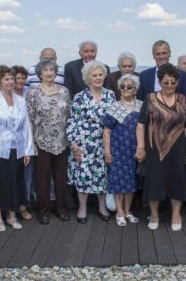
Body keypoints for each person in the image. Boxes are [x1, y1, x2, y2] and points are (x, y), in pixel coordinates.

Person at [136, 63, 186, 231]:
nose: (169, 85)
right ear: (160, 82)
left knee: (177, 180)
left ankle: (176, 214)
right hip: (154, 149)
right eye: (166, 82)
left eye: (173, 82)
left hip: (178, 148)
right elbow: (140, 125)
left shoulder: (182, 99)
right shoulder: (150, 98)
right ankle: (154, 214)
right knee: (154, 181)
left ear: (177, 82)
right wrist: (141, 148)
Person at [0, 65, 35, 232]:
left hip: (17, 148)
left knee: (16, 182)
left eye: (12, 78)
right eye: (7, 79)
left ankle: (12, 216)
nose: (11, 82)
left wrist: (28, 150)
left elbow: (26, 126)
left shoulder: (19, 100)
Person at [67, 61, 115, 222]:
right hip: (83, 143)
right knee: (83, 176)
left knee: (102, 175)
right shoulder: (79, 97)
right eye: (94, 75)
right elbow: (72, 121)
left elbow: (114, 120)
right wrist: (73, 144)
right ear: (88, 78)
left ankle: (102, 207)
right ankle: (82, 208)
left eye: (100, 74)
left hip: (104, 142)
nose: (98, 77)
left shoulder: (110, 95)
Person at [27, 59, 72, 224]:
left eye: (52, 70)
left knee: (60, 178)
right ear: (40, 74)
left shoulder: (64, 91)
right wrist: (31, 143)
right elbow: (30, 119)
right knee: (42, 178)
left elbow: (69, 115)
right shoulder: (33, 92)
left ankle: (61, 209)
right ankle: (43, 211)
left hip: (62, 141)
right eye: (45, 70)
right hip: (42, 141)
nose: (49, 73)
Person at [102, 74, 142, 226]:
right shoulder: (114, 107)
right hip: (117, 150)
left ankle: (128, 211)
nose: (125, 89)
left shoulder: (141, 105)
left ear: (135, 89)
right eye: (122, 86)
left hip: (134, 150)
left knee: (131, 182)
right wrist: (107, 152)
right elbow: (106, 131)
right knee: (119, 182)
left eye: (129, 87)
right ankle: (119, 212)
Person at [10, 65, 34, 219]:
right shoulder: (5, 95)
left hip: (28, 138)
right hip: (10, 142)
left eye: (22, 78)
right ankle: (11, 207)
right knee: (13, 176)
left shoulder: (29, 93)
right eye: (16, 78)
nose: (20, 81)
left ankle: (23, 206)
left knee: (27, 175)